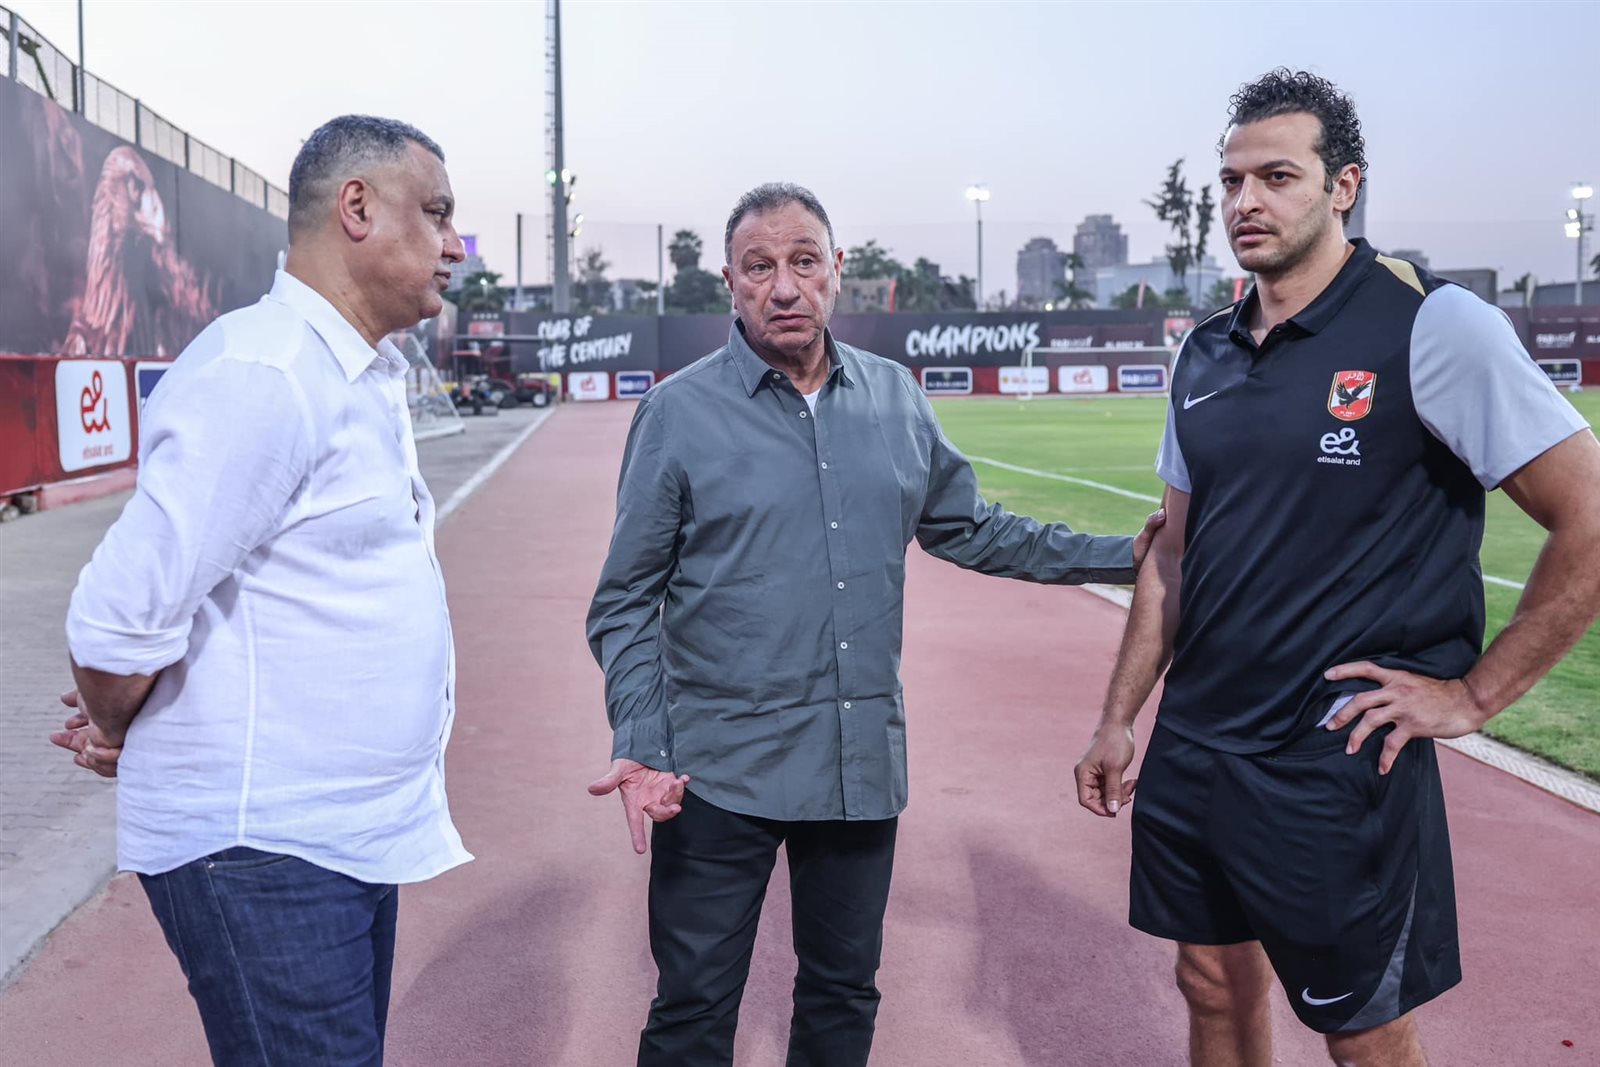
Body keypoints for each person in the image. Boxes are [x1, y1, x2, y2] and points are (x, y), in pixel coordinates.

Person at [1074, 69, 1600, 1067]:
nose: (1246, 201)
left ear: (1344, 185)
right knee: (1209, 982)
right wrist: (1118, 717)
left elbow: (1590, 514)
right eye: (1232, 181)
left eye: (1277, 176)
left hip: (1331, 757)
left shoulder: (1431, 325)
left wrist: (1475, 694)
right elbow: (1172, 554)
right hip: (1198, 743)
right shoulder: (1203, 353)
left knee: (1361, 1032)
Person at [586, 181, 1162, 1067]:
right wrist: (643, 739)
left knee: (843, 996)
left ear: (837, 269)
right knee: (693, 1009)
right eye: (759, 267)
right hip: (715, 769)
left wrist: (1126, 555)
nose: (785, 286)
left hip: (856, 763)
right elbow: (625, 598)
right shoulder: (677, 413)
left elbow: (972, 528)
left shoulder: (895, 397)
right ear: (729, 283)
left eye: (804, 261)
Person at [51, 115, 471, 1066]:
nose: (454, 245)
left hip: (334, 837)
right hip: (264, 850)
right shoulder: (266, 371)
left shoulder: (350, 370)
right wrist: (117, 727)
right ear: (357, 207)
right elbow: (115, 622)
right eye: (438, 213)